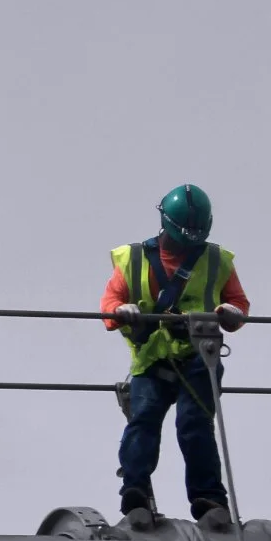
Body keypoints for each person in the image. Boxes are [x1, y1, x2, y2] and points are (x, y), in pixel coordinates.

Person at [102, 183, 249, 521]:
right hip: (152, 359)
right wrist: (121, 310)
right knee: (144, 421)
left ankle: (208, 498)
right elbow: (109, 302)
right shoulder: (134, 259)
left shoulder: (216, 260)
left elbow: (238, 305)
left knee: (194, 424)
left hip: (199, 356)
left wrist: (230, 312)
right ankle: (135, 491)